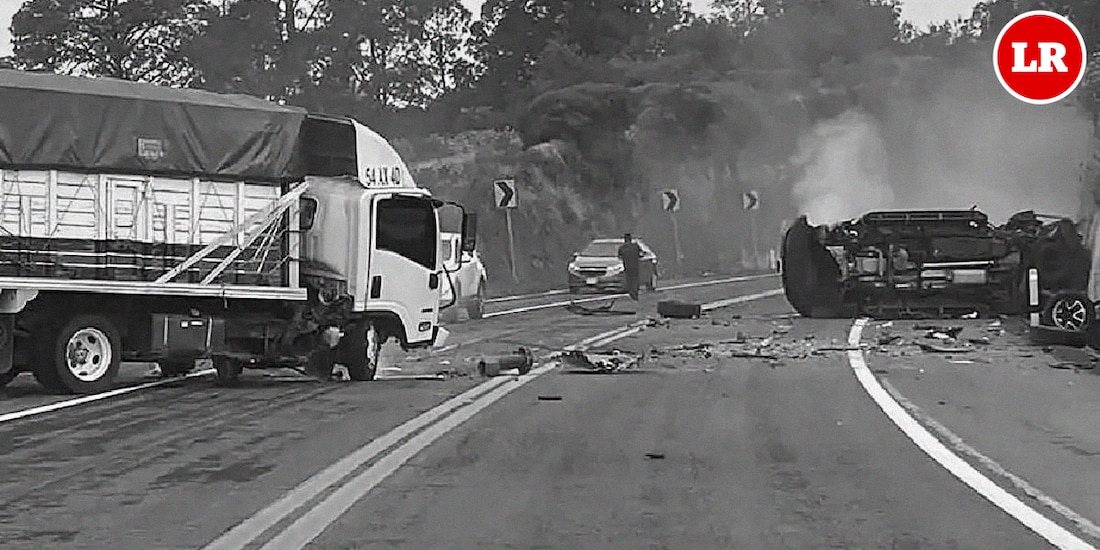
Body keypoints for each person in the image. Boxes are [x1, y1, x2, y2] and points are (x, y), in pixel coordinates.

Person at [618, 233, 642, 301]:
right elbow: (641, 254)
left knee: (629, 280)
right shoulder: (635, 246)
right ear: (630, 239)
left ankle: (631, 293)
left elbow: (619, 257)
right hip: (635, 265)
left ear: (624, 239)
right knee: (635, 279)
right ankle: (635, 293)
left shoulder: (622, 247)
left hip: (627, 266)